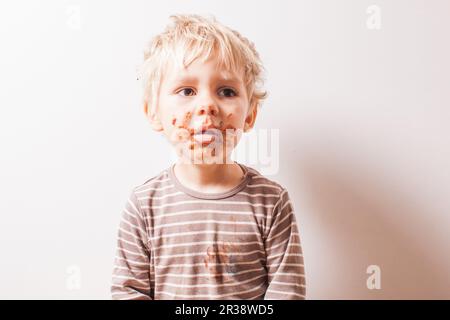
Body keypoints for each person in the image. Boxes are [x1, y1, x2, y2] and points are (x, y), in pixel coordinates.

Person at [111, 14, 306, 300]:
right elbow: (128, 291)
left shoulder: (271, 202)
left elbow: (287, 291)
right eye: (186, 90)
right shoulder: (144, 205)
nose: (207, 105)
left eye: (226, 91)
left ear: (249, 115)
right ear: (154, 113)